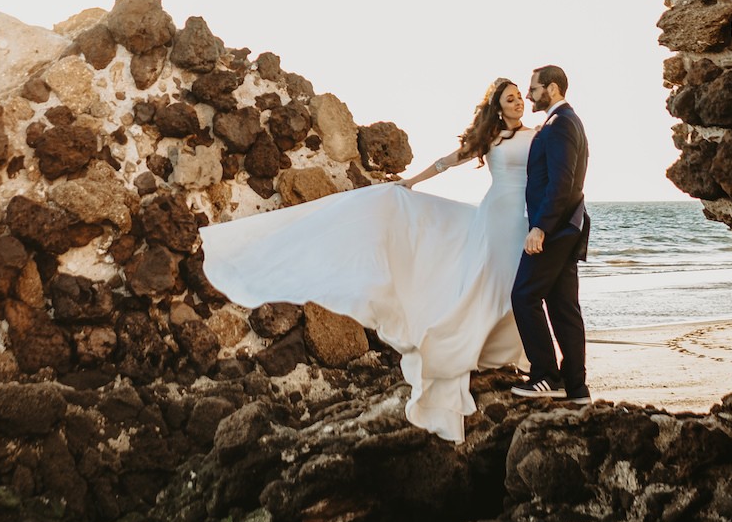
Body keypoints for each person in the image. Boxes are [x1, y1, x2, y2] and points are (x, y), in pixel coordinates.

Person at [198, 77, 535, 443]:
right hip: (494, 218)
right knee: (490, 283)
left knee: (514, 284)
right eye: (510, 99)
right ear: (497, 108)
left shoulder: (536, 136)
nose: (518, 102)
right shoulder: (491, 138)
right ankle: (470, 349)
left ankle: (517, 353)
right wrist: (412, 183)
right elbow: (447, 162)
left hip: (521, 220)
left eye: (519, 97)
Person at [508, 65, 591, 405]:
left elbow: (562, 182)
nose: (529, 95)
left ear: (552, 89)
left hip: (555, 229)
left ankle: (545, 376)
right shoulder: (566, 122)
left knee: (524, 296)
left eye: (533, 89)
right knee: (563, 307)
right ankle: (576, 388)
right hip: (567, 226)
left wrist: (540, 227)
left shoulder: (560, 124)